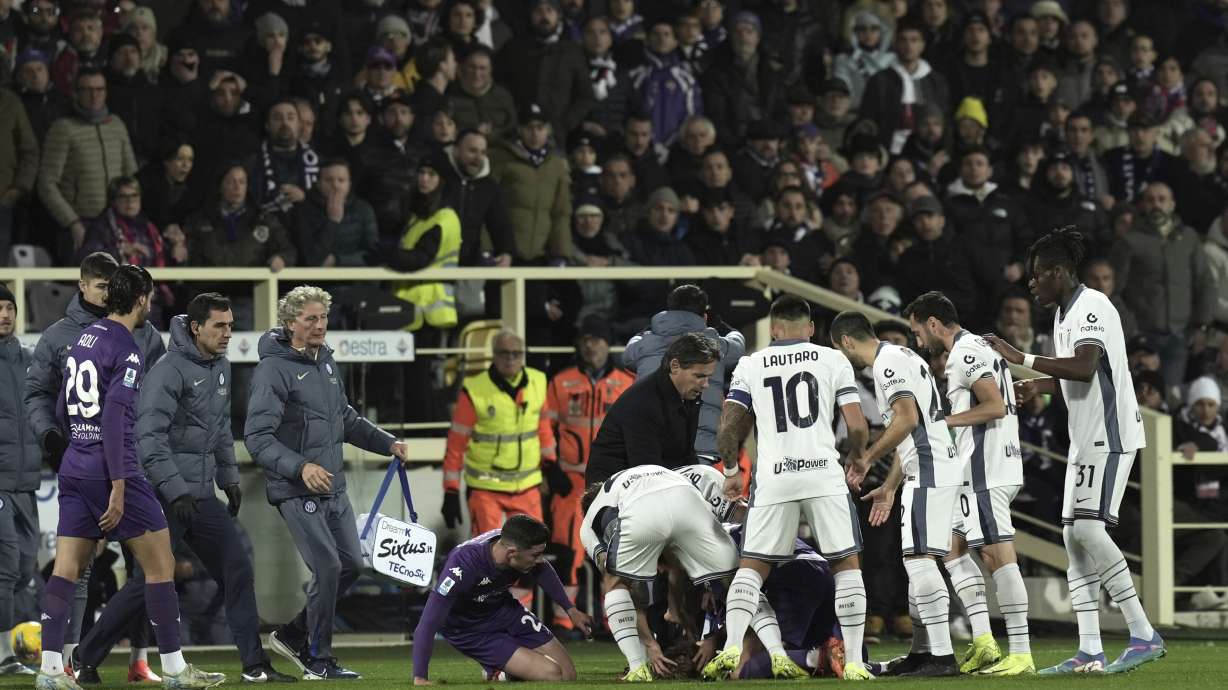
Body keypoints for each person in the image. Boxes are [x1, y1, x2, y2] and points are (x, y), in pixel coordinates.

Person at [71, 295, 296, 683]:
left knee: (237, 567)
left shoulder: (220, 368)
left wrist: (228, 479)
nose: (227, 333)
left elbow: (222, 431)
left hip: (199, 493)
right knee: (151, 581)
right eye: (219, 326)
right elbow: (149, 438)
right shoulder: (168, 371)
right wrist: (175, 491)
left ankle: (255, 666)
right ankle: (84, 657)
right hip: (160, 494)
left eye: (230, 325)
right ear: (196, 327)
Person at [986, 227, 1166, 674]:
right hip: (1086, 438)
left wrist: (1019, 358)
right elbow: (1077, 375)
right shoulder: (1063, 314)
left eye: (1038, 275)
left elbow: (1085, 368)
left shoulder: (1092, 306)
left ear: (1060, 272)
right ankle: (1089, 648)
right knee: (1073, 537)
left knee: (1087, 532)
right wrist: (1042, 386)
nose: (1031, 283)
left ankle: (1143, 633)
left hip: (1111, 434)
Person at [36, 265, 223, 690]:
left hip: (75, 464)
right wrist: (119, 484)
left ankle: (49, 671)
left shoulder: (84, 337)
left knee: (65, 569)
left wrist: (73, 448)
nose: (151, 305)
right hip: (112, 469)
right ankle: (175, 670)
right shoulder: (128, 346)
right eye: (150, 298)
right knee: (161, 565)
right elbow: (118, 418)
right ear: (140, 299)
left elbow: (64, 403)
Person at [702, 296, 875, 680]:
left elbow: (729, 428)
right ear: (810, 328)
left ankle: (731, 646)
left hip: (775, 475)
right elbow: (858, 425)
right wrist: (858, 456)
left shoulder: (751, 363)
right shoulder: (833, 360)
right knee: (846, 566)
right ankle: (857, 664)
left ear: (774, 329)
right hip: (822, 473)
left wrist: (731, 470)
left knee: (752, 569)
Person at [244, 286, 410, 680]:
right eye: (310, 320)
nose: (320, 326)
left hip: (332, 488)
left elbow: (346, 420)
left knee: (352, 563)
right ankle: (318, 659)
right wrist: (300, 467)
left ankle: (293, 635)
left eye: (323, 319)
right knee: (329, 566)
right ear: (290, 324)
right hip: (297, 489)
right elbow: (257, 438)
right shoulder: (272, 369)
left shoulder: (326, 362)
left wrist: (387, 442)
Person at [904, 291, 1035, 675]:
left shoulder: (966, 351)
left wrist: (943, 423)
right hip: (978, 467)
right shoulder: (976, 347)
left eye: (916, 332)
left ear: (932, 323)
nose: (917, 341)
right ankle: (983, 641)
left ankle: (1022, 653)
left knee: (997, 556)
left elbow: (993, 404)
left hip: (985, 469)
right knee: (951, 547)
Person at [829, 310, 962, 677]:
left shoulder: (886, 365)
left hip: (931, 468)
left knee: (920, 560)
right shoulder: (903, 356)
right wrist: (889, 486)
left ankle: (943, 657)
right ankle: (922, 652)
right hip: (928, 465)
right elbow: (910, 427)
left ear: (845, 342)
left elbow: (907, 420)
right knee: (915, 560)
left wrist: (868, 458)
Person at [579, 464, 756, 682]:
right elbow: (677, 565)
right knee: (743, 577)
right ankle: (751, 649)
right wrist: (679, 607)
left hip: (648, 512)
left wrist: (650, 645)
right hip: (689, 499)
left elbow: (619, 581)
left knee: (617, 585)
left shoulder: (591, 523)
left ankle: (638, 667)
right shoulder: (681, 476)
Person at [410, 515, 594, 684]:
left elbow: (543, 570)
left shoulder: (512, 544)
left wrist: (571, 610)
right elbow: (428, 623)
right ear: (511, 553)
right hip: (470, 630)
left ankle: (507, 669)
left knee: (568, 675)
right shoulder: (462, 566)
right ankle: (498, 671)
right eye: (535, 555)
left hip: (504, 611)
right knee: (552, 674)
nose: (540, 560)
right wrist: (420, 677)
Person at [542, 317, 635, 631]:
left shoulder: (626, 382)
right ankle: (562, 623)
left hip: (611, 484)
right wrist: (550, 466)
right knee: (568, 555)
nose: (590, 344)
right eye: (585, 338)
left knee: (612, 555)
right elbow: (545, 426)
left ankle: (613, 624)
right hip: (569, 484)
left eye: (597, 338)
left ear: (608, 343)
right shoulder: (561, 381)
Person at [440, 330, 555, 536]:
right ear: (494, 355)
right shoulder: (475, 389)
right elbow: (456, 444)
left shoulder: (538, 382)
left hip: (526, 486)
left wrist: (551, 465)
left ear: (523, 355)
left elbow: (544, 430)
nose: (510, 358)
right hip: (486, 488)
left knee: (530, 554)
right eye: (504, 353)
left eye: (516, 353)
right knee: (487, 554)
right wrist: (451, 490)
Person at [621, 284, 745, 464]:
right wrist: (723, 326)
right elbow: (738, 347)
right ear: (704, 316)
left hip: (652, 449)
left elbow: (628, 356)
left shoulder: (645, 343)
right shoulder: (714, 342)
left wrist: (648, 330)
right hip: (700, 450)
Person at [586, 333, 720, 484]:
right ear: (675, 366)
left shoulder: (689, 394)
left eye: (708, 377)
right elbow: (647, 471)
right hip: (611, 491)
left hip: (645, 481)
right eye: (699, 376)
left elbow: (686, 455)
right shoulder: (642, 403)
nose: (706, 385)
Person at [38, 68, 138, 261]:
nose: (95, 95)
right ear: (76, 93)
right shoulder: (63, 129)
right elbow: (46, 183)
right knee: (85, 287)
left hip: (117, 223)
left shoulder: (116, 125)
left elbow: (131, 174)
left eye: (100, 89)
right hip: (82, 224)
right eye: (87, 90)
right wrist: (72, 222)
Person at [0, 285, 40, 676]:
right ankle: (3, 654)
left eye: (9, 307)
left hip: (27, 484)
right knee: (7, 566)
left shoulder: (30, 361)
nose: (4, 314)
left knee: (27, 567)